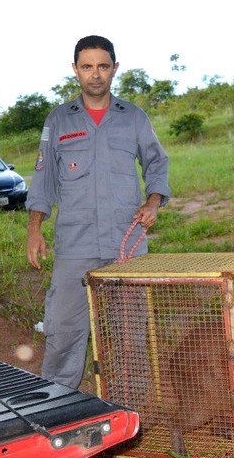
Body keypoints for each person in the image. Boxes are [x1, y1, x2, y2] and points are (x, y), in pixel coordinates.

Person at [26, 35, 170, 390]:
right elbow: (43, 177)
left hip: (127, 243)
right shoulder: (58, 120)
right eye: (87, 66)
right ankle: (59, 402)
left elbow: (157, 163)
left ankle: (133, 406)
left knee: (131, 332)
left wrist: (153, 202)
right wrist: (34, 229)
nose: (95, 74)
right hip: (75, 243)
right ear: (75, 70)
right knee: (64, 327)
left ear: (114, 69)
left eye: (103, 66)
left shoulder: (133, 117)